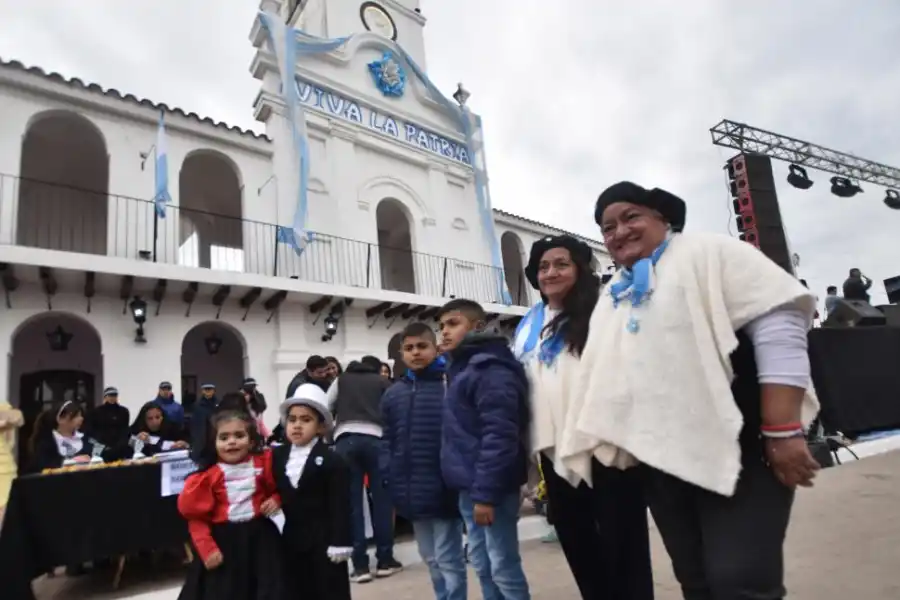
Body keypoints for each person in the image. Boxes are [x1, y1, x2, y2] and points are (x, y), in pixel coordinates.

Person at [564, 181, 820, 599]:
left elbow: (778, 322)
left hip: (745, 448)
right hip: (663, 462)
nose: (619, 232)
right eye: (608, 227)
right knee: (696, 583)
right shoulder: (615, 294)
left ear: (663, 220)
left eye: (631, 217)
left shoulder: (708, 252)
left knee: (742, 583)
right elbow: (604, 375)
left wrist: (782, 429)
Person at [512, 234, 654, 599]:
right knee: (580, 549)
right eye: (543, 266)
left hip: (607, 448)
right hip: (555, 454)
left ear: (579, 267)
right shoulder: (528, 324)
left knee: (625, 553)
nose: (551, 272)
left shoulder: (605, 310)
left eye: (561, 263)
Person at [438, 298, 531, 600]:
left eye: (453, 324)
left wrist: (486, 494)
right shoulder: (463, 369)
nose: (444, 332)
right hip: (472, 487)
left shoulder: (491, 370)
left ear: (477, 326)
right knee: (483, 562)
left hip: (492, 488)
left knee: (502, 563)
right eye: (441, 326)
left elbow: (500, 435)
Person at [381, 322, 466, 600]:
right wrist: (389, 472)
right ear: (401, 354)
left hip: (444, 488)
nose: (415, 352)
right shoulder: (393, 394)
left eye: (421, 346)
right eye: (409, 348)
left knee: (448, 558)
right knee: (429, 556)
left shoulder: (450, 384)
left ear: (435, 347)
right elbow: (388, 439)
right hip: (411, 489)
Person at [177, 409, 285, 600]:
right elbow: (196, 518)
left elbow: (282, 489)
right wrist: (206, 548)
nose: (232, 442)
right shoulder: (206, 479)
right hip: (224, 543)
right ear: (214, 444)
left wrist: (276, 499)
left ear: (251, 441)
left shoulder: (264, 465)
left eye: (239, 435)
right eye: (224, 437)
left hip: (261, 541)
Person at [273, 384, 353, 600]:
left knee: (327, 589)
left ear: (320, 427)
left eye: (306, 420)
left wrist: (340, 540)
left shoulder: (332, 460)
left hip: (323, 540)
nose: (297, 426)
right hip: (291, 540)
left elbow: (341, 504)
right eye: (292, 419)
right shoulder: (277, 457)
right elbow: (273, 489)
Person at [327, 354, 398, 582]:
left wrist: (331, 437)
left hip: (345, 440)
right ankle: (385, 560)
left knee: (353, 504)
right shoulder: (381, 382)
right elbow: (393, 411)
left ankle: (360, 567)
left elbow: (326, 408)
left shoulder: (341, 380)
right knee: (382, 501)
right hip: (377, 440)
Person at [28, 401, 96, 472]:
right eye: (76, 416)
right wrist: (73, 462)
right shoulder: (46, 443)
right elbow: (44, 467)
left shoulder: (85, 438)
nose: (81, 418)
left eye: (81, 415)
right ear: (60, 419)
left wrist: (94, 459)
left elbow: (100, 453)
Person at [84, 386, 131, 454]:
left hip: (120, 447)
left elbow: (125, 429)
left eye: (114, 395)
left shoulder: (123, 411)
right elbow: (92, 429)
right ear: (105, 397)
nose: (112, 398)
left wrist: (121, 444)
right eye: (110, 395)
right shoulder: (96, 412)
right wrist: (100, 444)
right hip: (101, 447)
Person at [0, 402, 24, 520]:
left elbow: (18, 418)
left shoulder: (2, 406)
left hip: (4, 469)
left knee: (6, 513)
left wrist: (5, 419)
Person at [189, 384, 219, 461]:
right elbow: (193, 425)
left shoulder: (218, 404)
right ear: (202, 391)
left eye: (210, 389)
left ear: (214, 391)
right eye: (206, 389)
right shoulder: (196, 405)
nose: (208, 391)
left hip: (215, 439)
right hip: (201, 441)